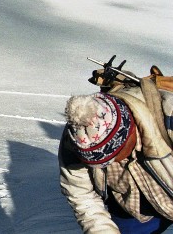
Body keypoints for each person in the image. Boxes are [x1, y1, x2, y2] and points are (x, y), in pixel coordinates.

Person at [59, 76, 173, 233]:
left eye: (112, 157)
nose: (107, 165)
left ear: (131, 130)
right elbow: (82, 197)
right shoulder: (77, 139)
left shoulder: (169, 119)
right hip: (133, 210)